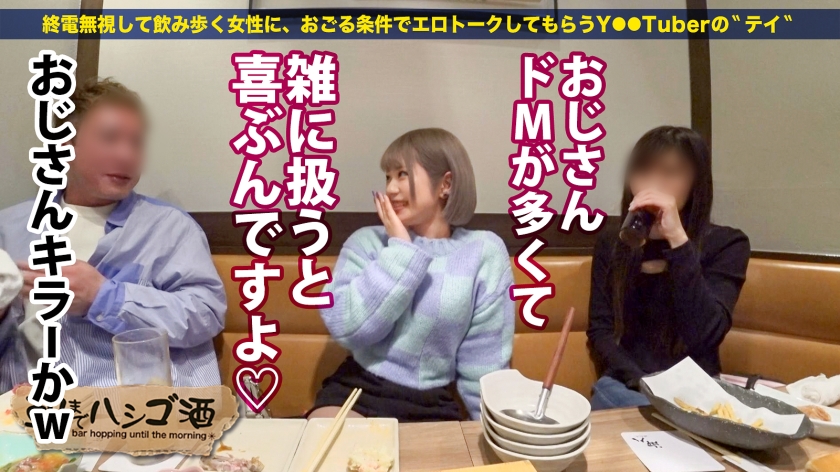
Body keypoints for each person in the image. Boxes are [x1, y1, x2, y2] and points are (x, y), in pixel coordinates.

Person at [0, 78, 226, 391]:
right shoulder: (10, 228)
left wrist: (103, 297)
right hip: (22, 408)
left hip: (133, 410)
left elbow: (206, 313)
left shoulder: (169, 228)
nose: (126, 155)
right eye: (110, 139)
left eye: (136, 142)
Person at [309, 128, 515, 421]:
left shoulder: (483, 252)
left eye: (402, 174)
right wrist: (401, 250)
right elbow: (348, 328)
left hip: (432, 403)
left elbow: (485, 363)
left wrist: (494, 430)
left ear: (445, 184)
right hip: (357, 390)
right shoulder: (367, 242)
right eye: (388, 177)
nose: (391, 189)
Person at [586, 126, 750, 410]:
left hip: (697, 391)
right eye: (643, 171)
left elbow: (707, 334)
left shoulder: (727, 244)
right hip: (626, 385)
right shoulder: (613, 242)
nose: (653, 184)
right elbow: (600, 330)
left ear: (696, 183)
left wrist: (677, 240)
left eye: (671, 172)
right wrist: (643, 381)